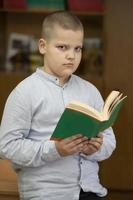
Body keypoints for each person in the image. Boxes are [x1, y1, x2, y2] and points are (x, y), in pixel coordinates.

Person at [0, 11, 116, 200]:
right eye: (62, 47)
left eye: (77, 49)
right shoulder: (25, 92)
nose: (71, 56)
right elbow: (6, 147)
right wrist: (55, 150)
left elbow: (110, 141)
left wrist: (94, 148)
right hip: (45, 193)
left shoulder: (90, 91)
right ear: (43, 46)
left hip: (89, 191)